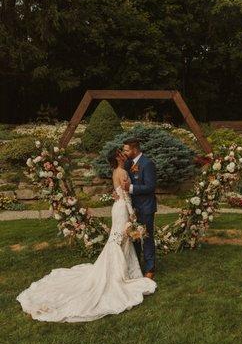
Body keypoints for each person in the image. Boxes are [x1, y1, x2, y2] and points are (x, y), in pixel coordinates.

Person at [16, 148, 156, 323]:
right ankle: (116, 274)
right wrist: (132, 214)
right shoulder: (122, 171)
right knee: (118, 240)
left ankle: (125, 269)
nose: (123, 154)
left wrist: (121, 199)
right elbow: (126, 196)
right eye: (121, 153)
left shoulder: (117, 170)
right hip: (123, 210)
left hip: (118, 207)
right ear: (117, 158)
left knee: (120, 240)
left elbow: (120, 191)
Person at [121, 138, 157, 280]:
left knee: (146, 237)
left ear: (134, 150)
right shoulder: (129, 163)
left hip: (146, 207)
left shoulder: (147, 164)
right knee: (134, 237)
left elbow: (150, 186)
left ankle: (150, 268)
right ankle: (136, 265)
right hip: (133, 208)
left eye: (126, 149)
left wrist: (130, 188)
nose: (125, 152)